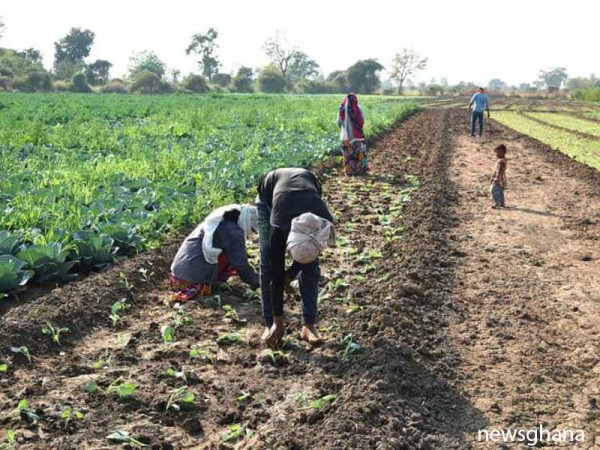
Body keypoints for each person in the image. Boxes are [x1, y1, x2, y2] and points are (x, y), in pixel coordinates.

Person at [256, 168, 335, 347]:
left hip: (308, 185)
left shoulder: (321, 222)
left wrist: (291, 273)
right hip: (271, 195)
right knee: (268, 265)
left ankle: (309, 325)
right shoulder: (279, 225)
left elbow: (310, 252)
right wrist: (278, 321)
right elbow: (277, 272)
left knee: (311, 266)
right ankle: (269, 324)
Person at [170, 204, 259, 302]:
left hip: (178, 275)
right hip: (190, 278)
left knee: (232, 254)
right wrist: (258, 282)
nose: (252, 234)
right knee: (234, 257)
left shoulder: (221, 223)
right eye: (253, 230)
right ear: (248, 222)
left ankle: (212, 281)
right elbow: (240, 264)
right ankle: (207, 284)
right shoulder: (233, 232)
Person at [338, 93, 368, 175]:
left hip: (345, 137)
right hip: (358, 136)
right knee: (361, 154)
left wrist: (345, 127)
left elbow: (339, 123)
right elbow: (362, 122)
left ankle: (349, 171)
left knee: (348, 156)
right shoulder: (359, 108)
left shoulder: (341, 110)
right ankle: (361, 170)